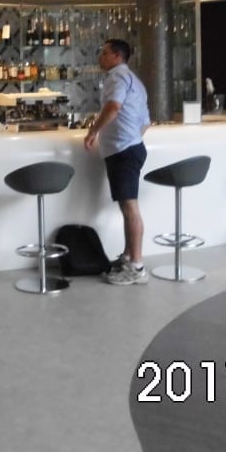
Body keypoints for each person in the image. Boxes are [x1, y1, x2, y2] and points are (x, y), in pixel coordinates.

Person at [83, 39, 151, 285]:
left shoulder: (116, 77)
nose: (100, 57)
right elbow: (146, 122)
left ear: (116, 56)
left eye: (104, 53)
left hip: (124, 152)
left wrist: (93, 131)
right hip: (131, 148)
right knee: (127, 208)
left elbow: (113, 106)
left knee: (130, 209)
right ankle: (128, 257)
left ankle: (137, 267)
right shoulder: (136, 81)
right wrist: (131, 139)